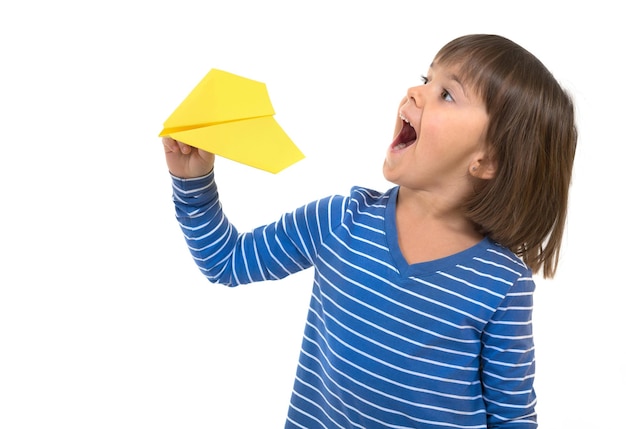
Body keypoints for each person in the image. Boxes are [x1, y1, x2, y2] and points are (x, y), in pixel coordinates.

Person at [162, 34, 577, 429]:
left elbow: (513, 418)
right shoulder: (340, 220)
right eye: (425, 79)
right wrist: (193, 183)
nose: (416, 93)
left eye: (447, 94)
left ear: (487, 161)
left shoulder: (502, 284)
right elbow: (227, 261)